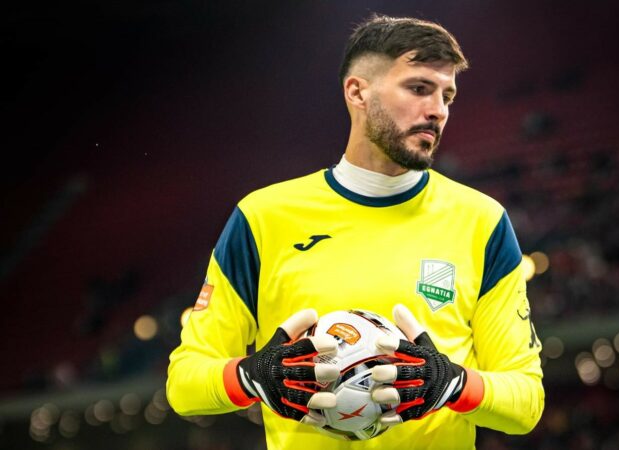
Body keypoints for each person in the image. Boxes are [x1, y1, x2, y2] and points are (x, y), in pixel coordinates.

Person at [167, 14, 545, 449]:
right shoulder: (262, 218)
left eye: (447, 96)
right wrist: (253, 377)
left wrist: (452, 384)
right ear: (357, 91)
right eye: (419, 88)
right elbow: (184, 385)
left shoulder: (483, 221)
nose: (438, 110)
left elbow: (526, 403)